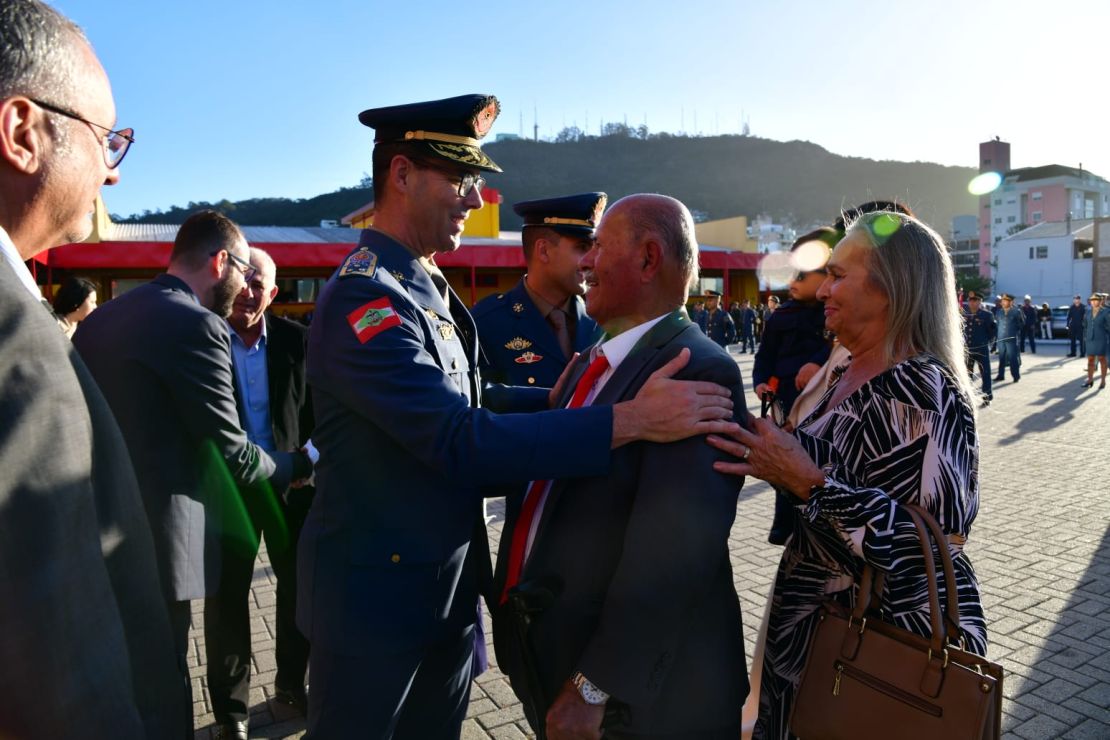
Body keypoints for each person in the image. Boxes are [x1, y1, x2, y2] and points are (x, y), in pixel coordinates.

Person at [296, 94, 735, 740]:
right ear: (402, 175)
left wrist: (578, 396)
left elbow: (475, 400)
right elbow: (456, 437)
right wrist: (626, 420)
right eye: (461, 179)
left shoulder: (423, 285)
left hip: (443, 600)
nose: (475, 199)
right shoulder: (365, 298)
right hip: (374, 613)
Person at [708, 211, 988, 739]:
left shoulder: (921, 390)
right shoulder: (845, 364)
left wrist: (810, 484)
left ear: (890, 288)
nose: (822, 291)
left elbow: (931, 546)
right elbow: (828, 461)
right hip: (817, 631)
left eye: (837, 275)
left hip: (878, 650)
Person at [492, 194, 750, 740]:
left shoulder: (696, 371)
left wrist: (592, 687)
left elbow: (672, 556)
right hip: (554, 651)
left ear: (648, 259)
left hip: (635, 703)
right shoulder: (593, 359)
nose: (585, 262)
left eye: (599, 248)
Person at [0, 2, 188, 738]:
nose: (111, 173)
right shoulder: (16, 337)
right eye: (105, 138)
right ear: (23, 133)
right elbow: (60, 673)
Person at [75, 210, 313, 740]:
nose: (246, 288)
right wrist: (300, 464)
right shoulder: (198, 324)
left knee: (130, 674)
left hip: (100, 528)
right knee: (166, 676)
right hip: (165, 533)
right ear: (221, 262)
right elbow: (233, 454)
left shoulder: (102, 320)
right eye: (243, 272)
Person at [203, 247, 315, 731]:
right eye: (242, 280)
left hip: (292, 487)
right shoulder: (204, 340)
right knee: (226, 602)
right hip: (228, 494)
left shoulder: (298, 341)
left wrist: (312, 459)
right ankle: (231, 715)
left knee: (297, 593)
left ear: (273, 293)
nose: (248, 292)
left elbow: (321, 410)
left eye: (258, 284)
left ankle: (290, 685)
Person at [473, 192, 605, 387]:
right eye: (582, 247)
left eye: (595, 249)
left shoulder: (601, 321)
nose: (591, 261)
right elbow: (473, 397)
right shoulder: (486, 322)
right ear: (543, 250)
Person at [753, 229, 833, 544]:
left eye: (802, 275)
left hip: (819, 402)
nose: (793, 281)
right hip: (784, 398)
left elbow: (838, 349)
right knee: (784, 459)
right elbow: (765, 355)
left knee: (812, 463)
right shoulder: (781, 315)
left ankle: (811, 530)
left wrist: (818, 363)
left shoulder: (831, 313)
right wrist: (760, 381)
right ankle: (784, 527)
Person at [963, 291, 995, 405]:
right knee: (967, 375)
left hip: (982, 350)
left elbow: (992, 332)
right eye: (970, 300)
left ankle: (987, 396)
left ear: (980, 301)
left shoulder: (987, 315)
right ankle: (967, 397)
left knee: (985, 374)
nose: (972, 303)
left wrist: (986, 342)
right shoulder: (964, 314)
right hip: (968, 350)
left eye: (975, 300)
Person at [1082, 294, 1110, 389]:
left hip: (1101, 339)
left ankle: (1103, 381)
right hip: (1090, 340)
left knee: (1102, 359)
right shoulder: (1087, 312)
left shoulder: (1106, 312)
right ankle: (1090, 380)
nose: (1093, 302)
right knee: (1090, 359)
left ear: (1100, 301)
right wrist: (1085, 336)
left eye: (1096, 300)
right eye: (1092, 300)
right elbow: (1085, 326)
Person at [994, 293, 1022, 382]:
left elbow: (1021, 324)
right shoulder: (999, 312)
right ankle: (1001, 375)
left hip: (1011, 338)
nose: (1003, 302)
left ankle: (1016, 376)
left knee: (1013, 358)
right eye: (1002, 301)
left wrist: (1014, 331)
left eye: (1005, 301)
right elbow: (997, 325)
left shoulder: (1016, 312)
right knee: (1001, 358)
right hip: (1001, 338)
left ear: (1010, 302)